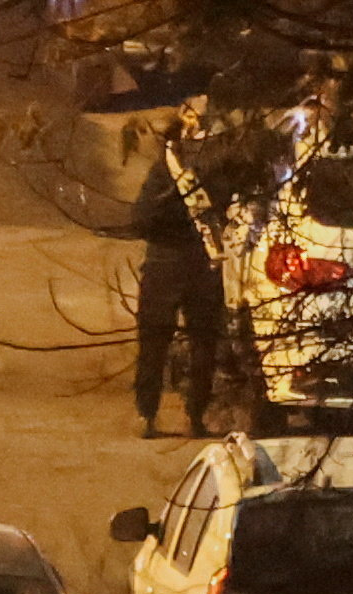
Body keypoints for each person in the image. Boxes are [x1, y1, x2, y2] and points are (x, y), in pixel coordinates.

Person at [127, 118, 225, 435]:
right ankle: (195, 418)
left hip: (163, 264)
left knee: (154, 343)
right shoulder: (215, 173)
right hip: (203, 265)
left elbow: (141, 220)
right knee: (203, 344)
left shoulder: (161, 173)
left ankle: (148, 416)